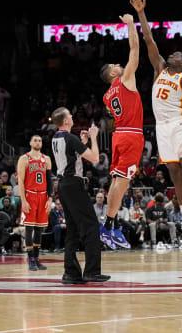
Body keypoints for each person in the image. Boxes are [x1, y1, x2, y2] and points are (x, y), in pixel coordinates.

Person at [130, 0, 182, 244]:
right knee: (174, 173)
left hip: (178, 124)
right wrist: (141, 13)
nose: (172, 54)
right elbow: (148, 39)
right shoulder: (159, 68)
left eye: (177, 54)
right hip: (161, 128)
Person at [51, 107, 110, 284]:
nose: (72, 116)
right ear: (65, 121)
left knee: (73, 229)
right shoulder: (70, 138)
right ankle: (92, 271)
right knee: (91, 225)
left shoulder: (56, 138)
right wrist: (93, 137)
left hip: (63, 185)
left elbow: (72, 155)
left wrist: (82, 142)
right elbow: (94, 157)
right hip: (73, 184)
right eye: (69, 114)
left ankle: (71, 273)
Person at [99, 13, 142, 249]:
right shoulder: (125, 79)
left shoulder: (107, 96)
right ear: (113, 74)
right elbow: (134, 48)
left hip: (119, 136)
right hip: (131, 135)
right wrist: (129, 24)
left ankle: (112, 226)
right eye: (116, 65)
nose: (120, 65)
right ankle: (107, 226)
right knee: (122, 183)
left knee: (118, 182)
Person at [17, 135, 54, 272]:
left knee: (39, 228)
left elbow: (49, 181)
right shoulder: (24, 158)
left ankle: (37, 259)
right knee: (29, 228)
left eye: (40, 141)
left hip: (43, 196)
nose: (38, 142)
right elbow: (20, 180)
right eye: (35, 140)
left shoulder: (47, 159)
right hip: (30, 194)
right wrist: (23, 200)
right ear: (30, 142)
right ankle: (31, 259)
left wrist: (50, 199)